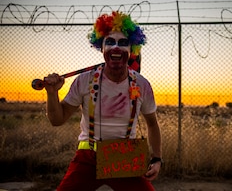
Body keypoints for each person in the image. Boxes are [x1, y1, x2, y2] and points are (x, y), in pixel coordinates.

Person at [44, 11, 162, 191]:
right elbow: (57, 119)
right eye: (110, 42)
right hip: (88, 157)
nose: (116, 47)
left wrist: (156, 158)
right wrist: (52, 93)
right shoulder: (85, 80)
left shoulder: (141, 84)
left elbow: (152, 124)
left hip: (124, 157)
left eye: (123, 43)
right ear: (102, 48)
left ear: (132, 50)